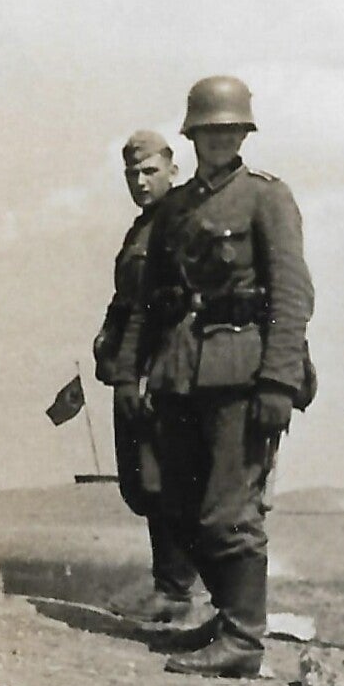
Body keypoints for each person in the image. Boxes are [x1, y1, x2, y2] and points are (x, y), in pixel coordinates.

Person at [117, 75, 316, 677]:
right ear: (193, 136)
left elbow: (292, 295)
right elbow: (150, 304)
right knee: (179, 505)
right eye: (210, 131)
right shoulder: (176, 209)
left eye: (232, 130)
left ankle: (244, 641)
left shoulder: (266, 198)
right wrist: (130, 375)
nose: (221, 139)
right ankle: (228, 617)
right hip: (180, 374)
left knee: (228, 511)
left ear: (244, 134)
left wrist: (279, 382)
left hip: (242, 374)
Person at [94, 130, 200, 622]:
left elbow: (174, 301)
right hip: (135, 365)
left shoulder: (183, 220)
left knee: (170, 479)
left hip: (168, 366)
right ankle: (168, 585)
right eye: (132, 174)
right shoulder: (142, 228)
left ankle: (178, 590)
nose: (140, 181)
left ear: (172, 170)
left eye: (149, 171)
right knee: (144, 479)